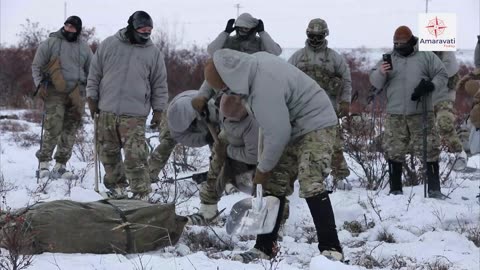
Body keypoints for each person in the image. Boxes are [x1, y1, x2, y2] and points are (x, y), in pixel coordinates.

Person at [204, 49, 344, 262]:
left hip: (317, 122)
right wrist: (266, 169)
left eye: (224, 87)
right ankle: (264, 247)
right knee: (274, 185)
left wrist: (262, 169)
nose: (227, 92)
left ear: (231, 77)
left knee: (310, 179)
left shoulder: (263, 87)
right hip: (292, 125)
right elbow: (269, 127)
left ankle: (331, 249)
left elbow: (278, 134)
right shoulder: (252, 65)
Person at [86, 11, 168, 199]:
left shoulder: (154, 53)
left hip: (134, 113)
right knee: (108, 151)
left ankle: (141, 192)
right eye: (142, 29)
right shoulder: (109, 44)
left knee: (135, 156)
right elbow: (95, 73)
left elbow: (160, 84)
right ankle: (117, 186)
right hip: (106, 109)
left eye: (149, 30)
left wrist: (158, 110)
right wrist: (92, 98)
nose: (146, 33)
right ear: (132, 27)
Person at [369, 26, 450, 199]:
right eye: (395, 43)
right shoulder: (390, 58)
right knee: (394, 150)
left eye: (402, 43)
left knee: (429, 149)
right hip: (395, 113)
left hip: (421, 112)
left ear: (411, 41)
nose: (398, 46)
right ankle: (395, 189)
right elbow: (375, 82)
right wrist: (382, 73)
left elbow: (442, 74)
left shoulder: (426, 56)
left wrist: (430, 85)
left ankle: (434, 189)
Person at [288, 18, 352, 190]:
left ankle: (340, 176)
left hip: (327, 109)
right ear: (307, 34)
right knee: (295, 143)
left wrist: (345, 101)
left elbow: (346, 80)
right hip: (301, 109)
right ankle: (291, 177)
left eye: (319, 36)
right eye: (312, 35)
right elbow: (284, 79)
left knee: (334, 143)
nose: (315, 39)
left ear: (325, 35)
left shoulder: (334, 58)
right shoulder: (297, 57)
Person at [31, 15, 93, 179]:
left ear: (78, 30)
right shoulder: (50, 43)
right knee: (53, 126)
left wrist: (91, 91)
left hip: (76, 92)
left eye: (73, 27)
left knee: (70, 129)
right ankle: (44, 163)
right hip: (54, 90)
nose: (69, 29)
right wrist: (39, 85)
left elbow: (92, 71)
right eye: (67, 26)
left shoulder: (85, 48)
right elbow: (37, 65)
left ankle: (61, 165)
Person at [432, 51, 467, 170]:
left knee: (444, 121)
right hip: (425, 96)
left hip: (444, 95)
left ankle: (458, 153)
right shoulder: (421, 50)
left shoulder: (446, 50)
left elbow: (449, 68)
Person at [207, 12, 282, 56]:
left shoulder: (260, 42)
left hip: (254, 78)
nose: (241, 31)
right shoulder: (230, 41)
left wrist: (262, 33)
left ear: (253, 29)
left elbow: (276, 52)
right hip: (231, 77)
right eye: (239, 27)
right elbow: (211, 51)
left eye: (246, 28)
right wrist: (225, 33)